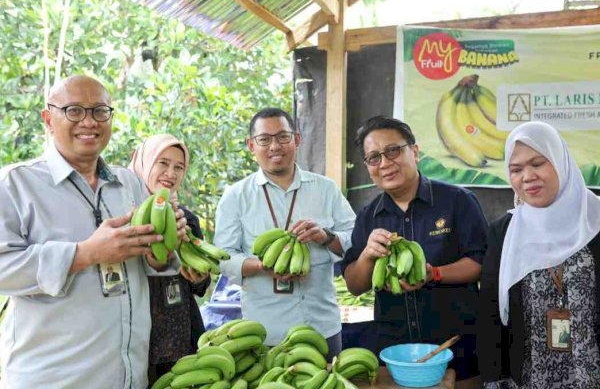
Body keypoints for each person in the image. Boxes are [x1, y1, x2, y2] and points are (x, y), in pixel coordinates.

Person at [0, 75, 186, 389]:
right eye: (74, 111)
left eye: (100, 111)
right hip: (53, 379)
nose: (89, 122)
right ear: (48, 118)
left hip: (127, 376)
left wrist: (161, 254)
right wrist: (84, 254)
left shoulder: (129, 184)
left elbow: (147, 263)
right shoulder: (16, 184)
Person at [341, 116, 487, 389]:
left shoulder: (457, 201)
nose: (384, 163)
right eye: (374, 158)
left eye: (393, 151)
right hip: (397, 353)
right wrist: (367, 257)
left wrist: (435, 274)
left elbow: (480, 262)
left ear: (415, 152)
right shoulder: (368, 217)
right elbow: (354, 285)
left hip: (459, 348)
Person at [214, 108, 355, 360]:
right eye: (264, 139)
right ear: (251, 145)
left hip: (322, 327)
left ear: (297, 140)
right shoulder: (236, 197)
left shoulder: (326, 190)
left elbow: (354, 241)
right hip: (267, 333)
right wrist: (262, 266)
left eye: (282, 137)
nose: (274, 146)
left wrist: (326, 236)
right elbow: (223, 258)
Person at [477, 121, 600, 389]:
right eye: (516, 169)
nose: (527, 176)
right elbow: (490, 314)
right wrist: (494, 380)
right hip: (530, 378)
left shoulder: (595, 219)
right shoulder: (505, 232)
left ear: (560, 161)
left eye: (538, 163)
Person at [128, 134, 210, 383]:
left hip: (182, 335)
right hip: (139, 338)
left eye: (179, 167)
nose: (170, 174)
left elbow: (201, 287)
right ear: (144, 162)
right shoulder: (126, 219)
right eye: (162, 163)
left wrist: (200, 277)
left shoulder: (186, 219)